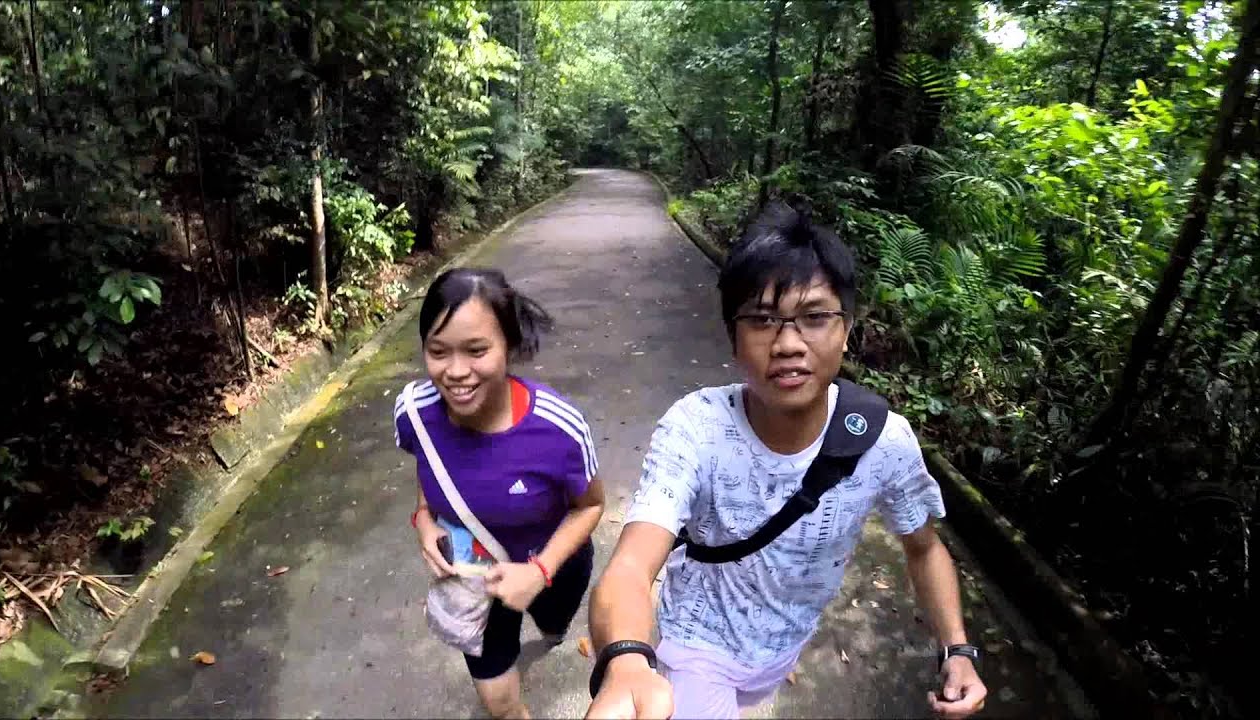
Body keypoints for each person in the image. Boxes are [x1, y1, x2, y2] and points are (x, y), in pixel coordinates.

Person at [584, 201, 988, 720]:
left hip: (781, 646)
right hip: (695, 643)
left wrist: (957, 649)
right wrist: (627, 662)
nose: (789, 343)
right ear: (734, 336)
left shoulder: (883, 442)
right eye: (762, 320)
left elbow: (924, 547)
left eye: (815, 317)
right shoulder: (697, 428)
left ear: (846, 328)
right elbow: (633, 565)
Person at [394, 267, 605, 719]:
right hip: (476, 578)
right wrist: (424, 517)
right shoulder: (413, 412)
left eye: (476, 351)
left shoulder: (558, 428)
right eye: (438, 351)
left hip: (554, 568)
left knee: (553, 625)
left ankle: (551, 627)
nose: (455, 372)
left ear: (508, 345)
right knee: (500, 704)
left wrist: (539, 572)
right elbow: (427, 461)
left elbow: (591, 506)